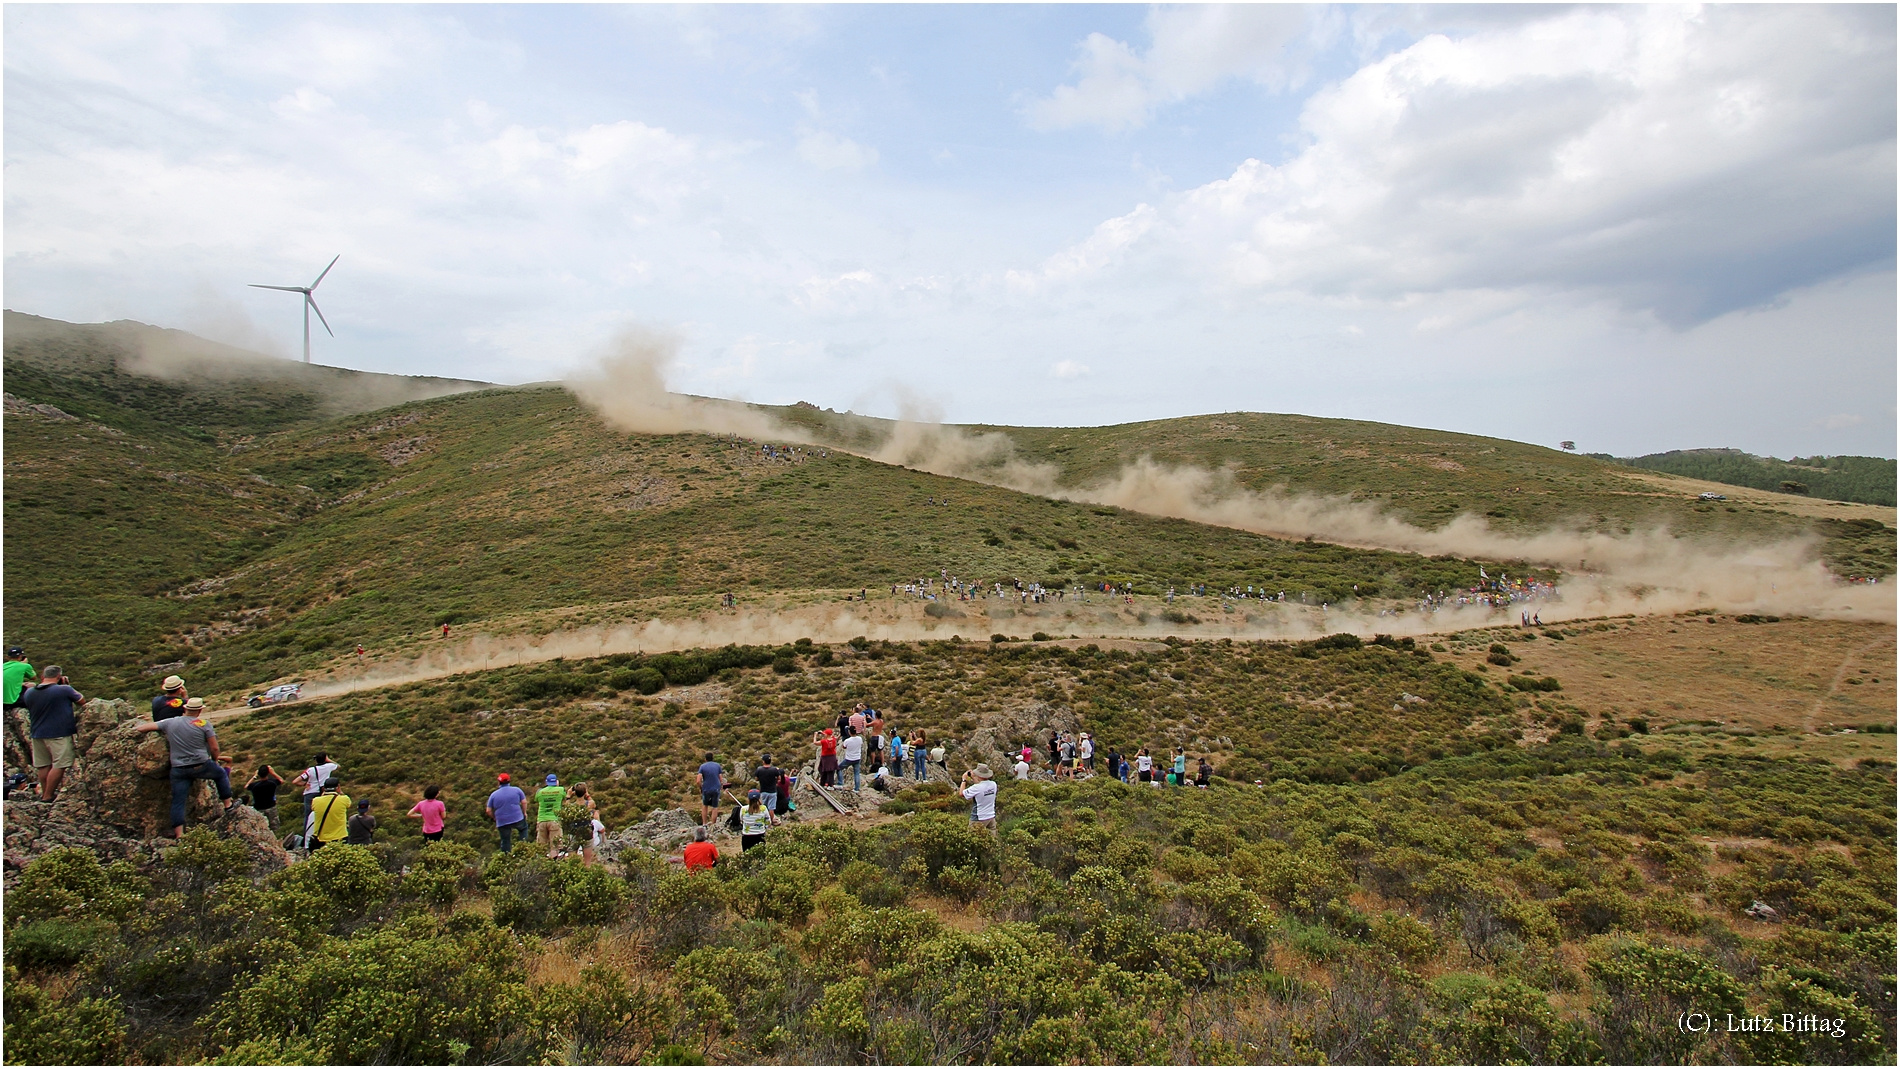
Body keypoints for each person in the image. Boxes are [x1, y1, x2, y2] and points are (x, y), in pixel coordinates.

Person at [132, 697, 234, 836]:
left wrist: (133, 729)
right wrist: (215, 760)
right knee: (221, 774)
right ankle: (228, 805)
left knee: (178, 800)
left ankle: (179, 834)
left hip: (179, 768)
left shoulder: (171, 722)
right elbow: (214, 748)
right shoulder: (204, 724)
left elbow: (144, 728)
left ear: (185, 709)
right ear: (199, 710)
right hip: (201, 764)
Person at [21, 666, 85, 803]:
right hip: (58, 733)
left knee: (43, 765)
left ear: (42, 676)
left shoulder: (30, 692)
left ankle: (45, 794)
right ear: (59, 676)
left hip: (37, 733)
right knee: (59, 765)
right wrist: (67, 685)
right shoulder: (64, 689)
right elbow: (82, 702)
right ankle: (48, 795)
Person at [291, 753, 341, 827]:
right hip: (323, 792)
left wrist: (305, 784)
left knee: (308, 816)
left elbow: (295, 781)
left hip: (310, 793)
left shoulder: (310, 770)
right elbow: (338, 766)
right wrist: (328, 759)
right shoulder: (329, 766)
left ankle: (307, 834)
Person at [303, 777, 351, 852]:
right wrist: (340, 791)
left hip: (321, 838)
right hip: (340, 837)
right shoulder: (344, 799)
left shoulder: (316, 801)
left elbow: (313, 808)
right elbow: (349, 804)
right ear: (338, 787)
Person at [485, 773, 529, 853]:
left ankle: (506, 858)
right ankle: (523, 848)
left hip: (502, 821)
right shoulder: (517, 790)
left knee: (505, 840)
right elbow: (524, 802)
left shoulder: (493, 795)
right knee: (523, 828)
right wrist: (524, 812)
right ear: (509, 781)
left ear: (499, 782)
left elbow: (488, 810)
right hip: (517, 818)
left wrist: (494, 817)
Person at [535, 774, 566, 857]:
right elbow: (565, 797)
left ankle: (542, 864)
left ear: (546, 782)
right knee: (555, 846)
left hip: (542, 819)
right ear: (556, 781)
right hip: (554, 819)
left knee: (541, 846)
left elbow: (536, 799)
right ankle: (554, 863)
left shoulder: (540, 792)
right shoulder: (560, 790)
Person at [959, 764, 998, 829]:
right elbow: (982, 786)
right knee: (992, 837)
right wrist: (974, 778)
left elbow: (961, 793)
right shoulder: (993, 784)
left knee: (973, 836)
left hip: (978, 817)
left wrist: (964, 780)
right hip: (991, 816)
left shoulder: (976, 788)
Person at [246, 765, 284, 830]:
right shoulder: (272, 782)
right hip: (271, 807)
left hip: (259, 808)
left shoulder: (255, 785)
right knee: (275, 827)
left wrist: (254, 776)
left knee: (261, 828)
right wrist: (273, 773)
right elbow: (281, 780)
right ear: (268, 773)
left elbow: (246, 786)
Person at [695, 753, 725, 825]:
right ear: (713, 758)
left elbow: (698, 781)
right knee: (715, 807)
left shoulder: (702, 767)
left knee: (705, 805)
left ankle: (704, 823)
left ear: (705, 759)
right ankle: (713, 824)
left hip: (706, 789)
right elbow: (721, 779)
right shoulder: (717, 766)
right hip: (716, 789)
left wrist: (701, 787)